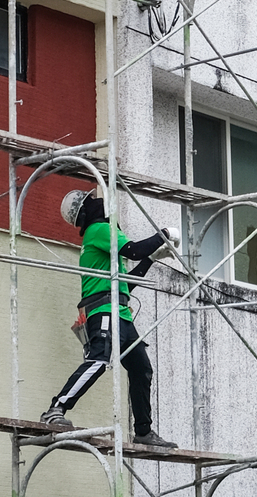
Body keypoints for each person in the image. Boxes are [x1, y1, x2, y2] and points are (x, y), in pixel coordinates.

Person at [40, 189, 180, 449]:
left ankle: (143, 432)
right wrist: (164, 234)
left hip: (120, 313)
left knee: (141, 369)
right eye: (91, 202)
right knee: (98, 360)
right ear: (86, 211)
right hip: (104, 311)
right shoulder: (99, 230)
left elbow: (125, 285)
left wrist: (150, 258)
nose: (100, 205)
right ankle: (56, 408)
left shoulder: (104, 241)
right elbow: (134, 250)